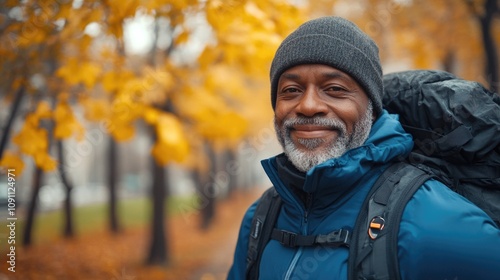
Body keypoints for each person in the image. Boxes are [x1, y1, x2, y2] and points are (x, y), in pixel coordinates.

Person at [227, 16, 500, 280]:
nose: (308, 106)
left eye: (333, 88)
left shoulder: (438, 225)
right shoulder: (259, 220)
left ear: (371, 109)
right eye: (290, 90)